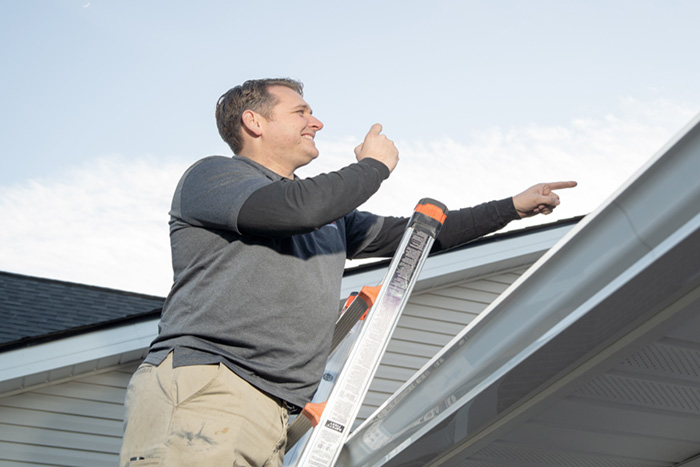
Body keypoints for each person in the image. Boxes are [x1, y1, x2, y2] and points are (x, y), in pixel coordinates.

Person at [120, 78, 576, 467]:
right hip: (212, 384)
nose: (315, 123)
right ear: (254, 123)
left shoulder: (326, 216)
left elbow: (414, 238)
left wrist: (512, 208)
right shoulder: (214, 178)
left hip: (273, 410)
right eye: (300, 112)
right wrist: (373, 167)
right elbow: (293, 210)